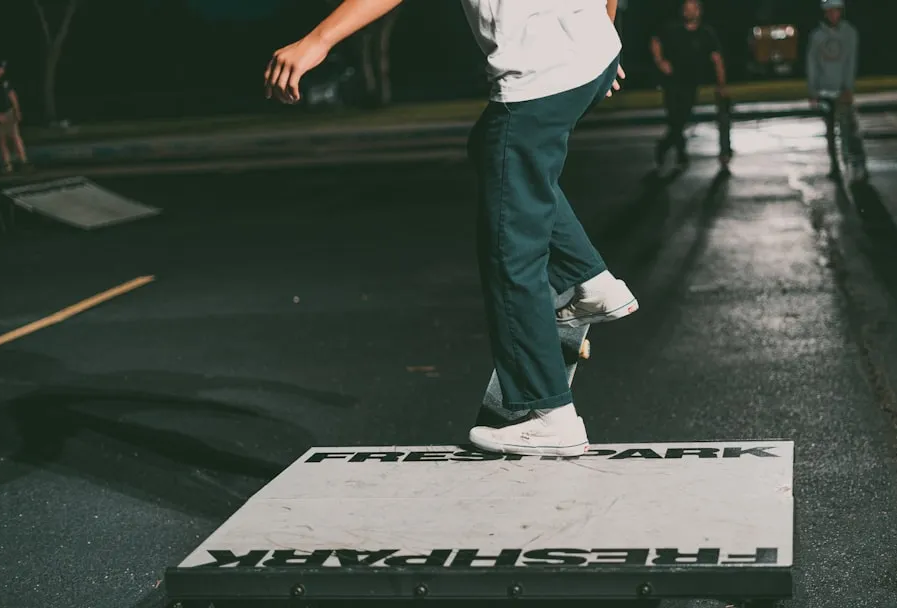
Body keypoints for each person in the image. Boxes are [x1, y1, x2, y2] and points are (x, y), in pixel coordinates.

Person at [263, 0, 639, 457]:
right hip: (592, 51)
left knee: (509, 246)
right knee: (491, 151)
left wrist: (317, 41)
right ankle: (591, 280)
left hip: (539, 76)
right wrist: (600, 36)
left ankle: (548, 415)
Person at [650, 0, 731, 171]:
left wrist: (721, 84)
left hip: (691, 83)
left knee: (681, 120)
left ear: (699, 11)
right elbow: (655, 41)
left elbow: (717, 59)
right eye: (686, 9)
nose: (689, 12)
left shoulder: (706, 33)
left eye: (693, 9)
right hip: (671, 82)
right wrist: (660, 61)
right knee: (674, 119)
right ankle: (680, 155)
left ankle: (664, 147)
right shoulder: (673, 29)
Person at [806, 0, 867, 181]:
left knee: (849, 129)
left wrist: (848, 87)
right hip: (825, 91)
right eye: (830, 11)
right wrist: (812, 90)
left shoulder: (849, 33)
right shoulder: (817, 36)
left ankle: (857, 163)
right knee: (830, 132)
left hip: (842, 89)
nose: (833, 15)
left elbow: (851, 62)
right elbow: (812, 64)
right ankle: (835, 166)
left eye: (837, 11)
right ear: (825, 13)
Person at [0, 60, 31, 174]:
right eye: (0, 67)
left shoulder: (5, 81)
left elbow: (12, 95)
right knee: (2, 140)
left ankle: (24, 161)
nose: (2, 70)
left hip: (9, 112)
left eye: (3, 68)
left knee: (16, 137)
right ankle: (7, 164)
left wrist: (17, 110)